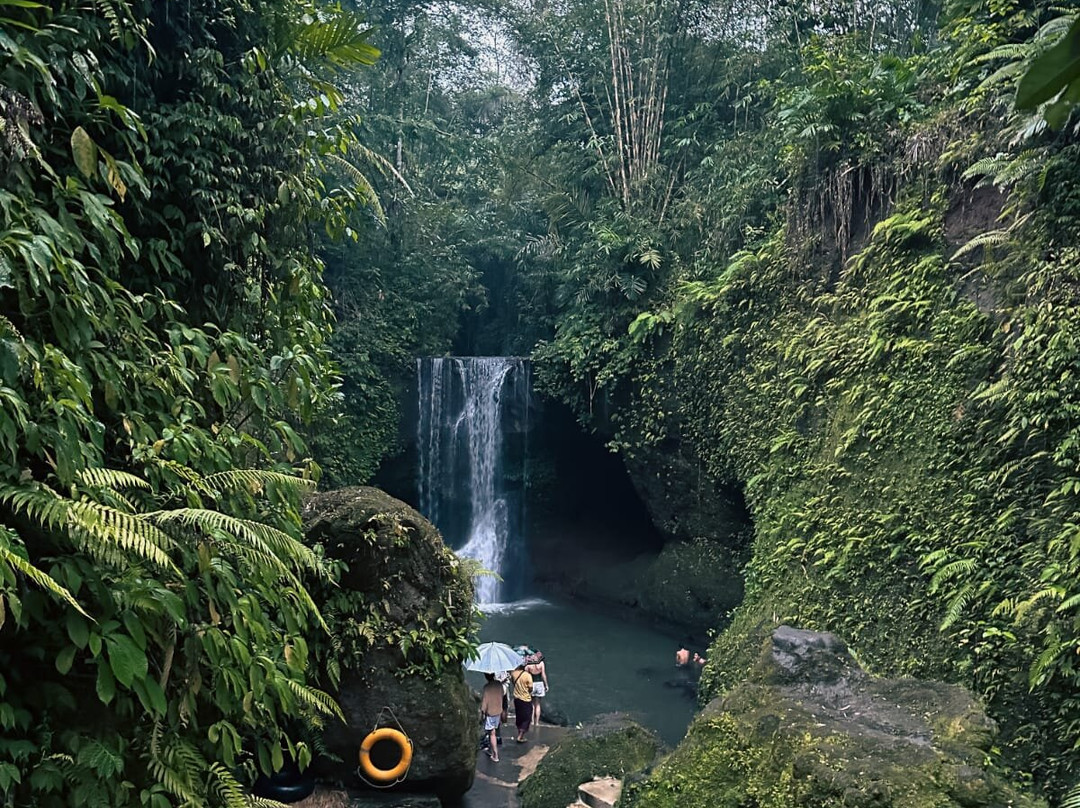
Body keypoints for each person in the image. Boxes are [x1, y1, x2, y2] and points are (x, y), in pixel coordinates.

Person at [480, 673, 504, 762]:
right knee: (494, 731)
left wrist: (482, 711)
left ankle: (495, 755)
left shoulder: (486, 687)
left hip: (490, 713)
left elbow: (484, 702)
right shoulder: (499, 684)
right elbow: (502, 694)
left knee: (492, 734)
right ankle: (492, 750)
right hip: (498, 710)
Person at [509, 662, 533, 742]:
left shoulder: (513, 673)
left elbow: (513, 682)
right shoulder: (527, 675)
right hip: (525, 699)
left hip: (517, 698)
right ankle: (520, 736)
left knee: (519, 716)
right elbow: (530, 688)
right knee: (527, 718)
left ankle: (519, 733)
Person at [525, 652, 549, 730]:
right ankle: (537, 722)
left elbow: (526, 676)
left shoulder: (528, 665)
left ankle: (532, 721)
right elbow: (543, 675)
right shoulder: (541, 664)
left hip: (532, 684)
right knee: (538, 704)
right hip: (539, 684)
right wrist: (546, 685)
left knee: (532, 704)